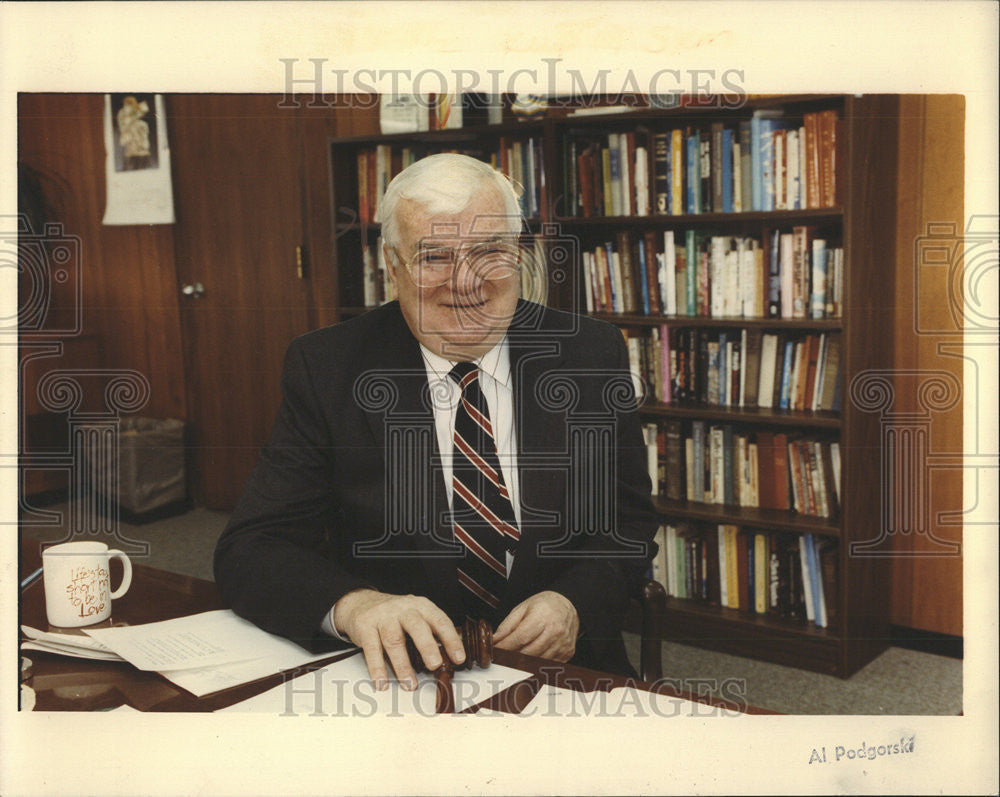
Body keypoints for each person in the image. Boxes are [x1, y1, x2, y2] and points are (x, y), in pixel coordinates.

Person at [214, 153, 657, 690]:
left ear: (519, 255)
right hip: (398, 677)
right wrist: (356, 607)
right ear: (391, 264)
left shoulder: (589, 353)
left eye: (489, 251)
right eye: (434, 256)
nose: (465, 281)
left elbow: (627, 524)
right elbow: (253, 547)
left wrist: (574, 603)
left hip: (564, 671)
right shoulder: (328, 368)